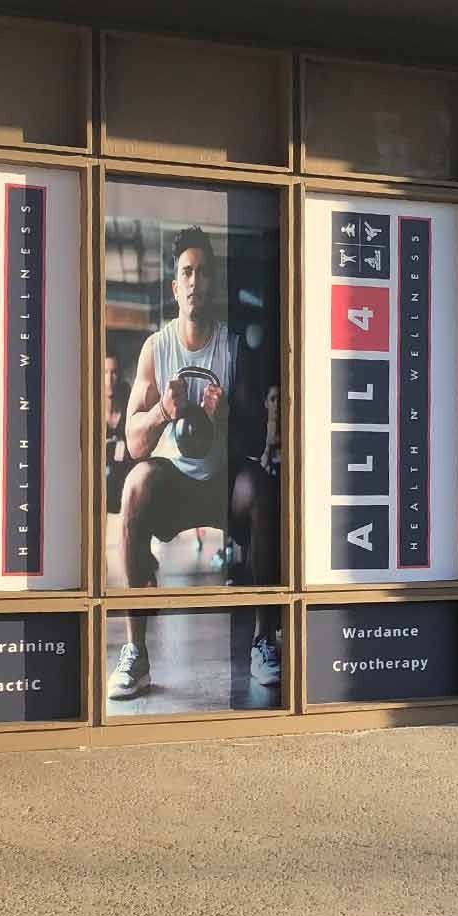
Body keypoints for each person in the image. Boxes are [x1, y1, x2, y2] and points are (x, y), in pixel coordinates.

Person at [108, 227, 280, 700]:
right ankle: (136, 652)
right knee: (135, 485)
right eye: (186, 272)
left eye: (203, 273)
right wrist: (163, 411)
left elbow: (253, 442)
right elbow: (134, 443)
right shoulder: (157, 348)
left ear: (212, 284)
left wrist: (226, 415)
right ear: (175, 286)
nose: (194, 281)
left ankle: (265, 639)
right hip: (174, 485)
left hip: (221, 481)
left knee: (262, 489)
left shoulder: (232, 347)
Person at [101, 347, 133, 514]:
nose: (109, 379)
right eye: (105, 372)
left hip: (123, 478)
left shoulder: (128, 403)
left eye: (113, 372)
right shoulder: (90, 407)